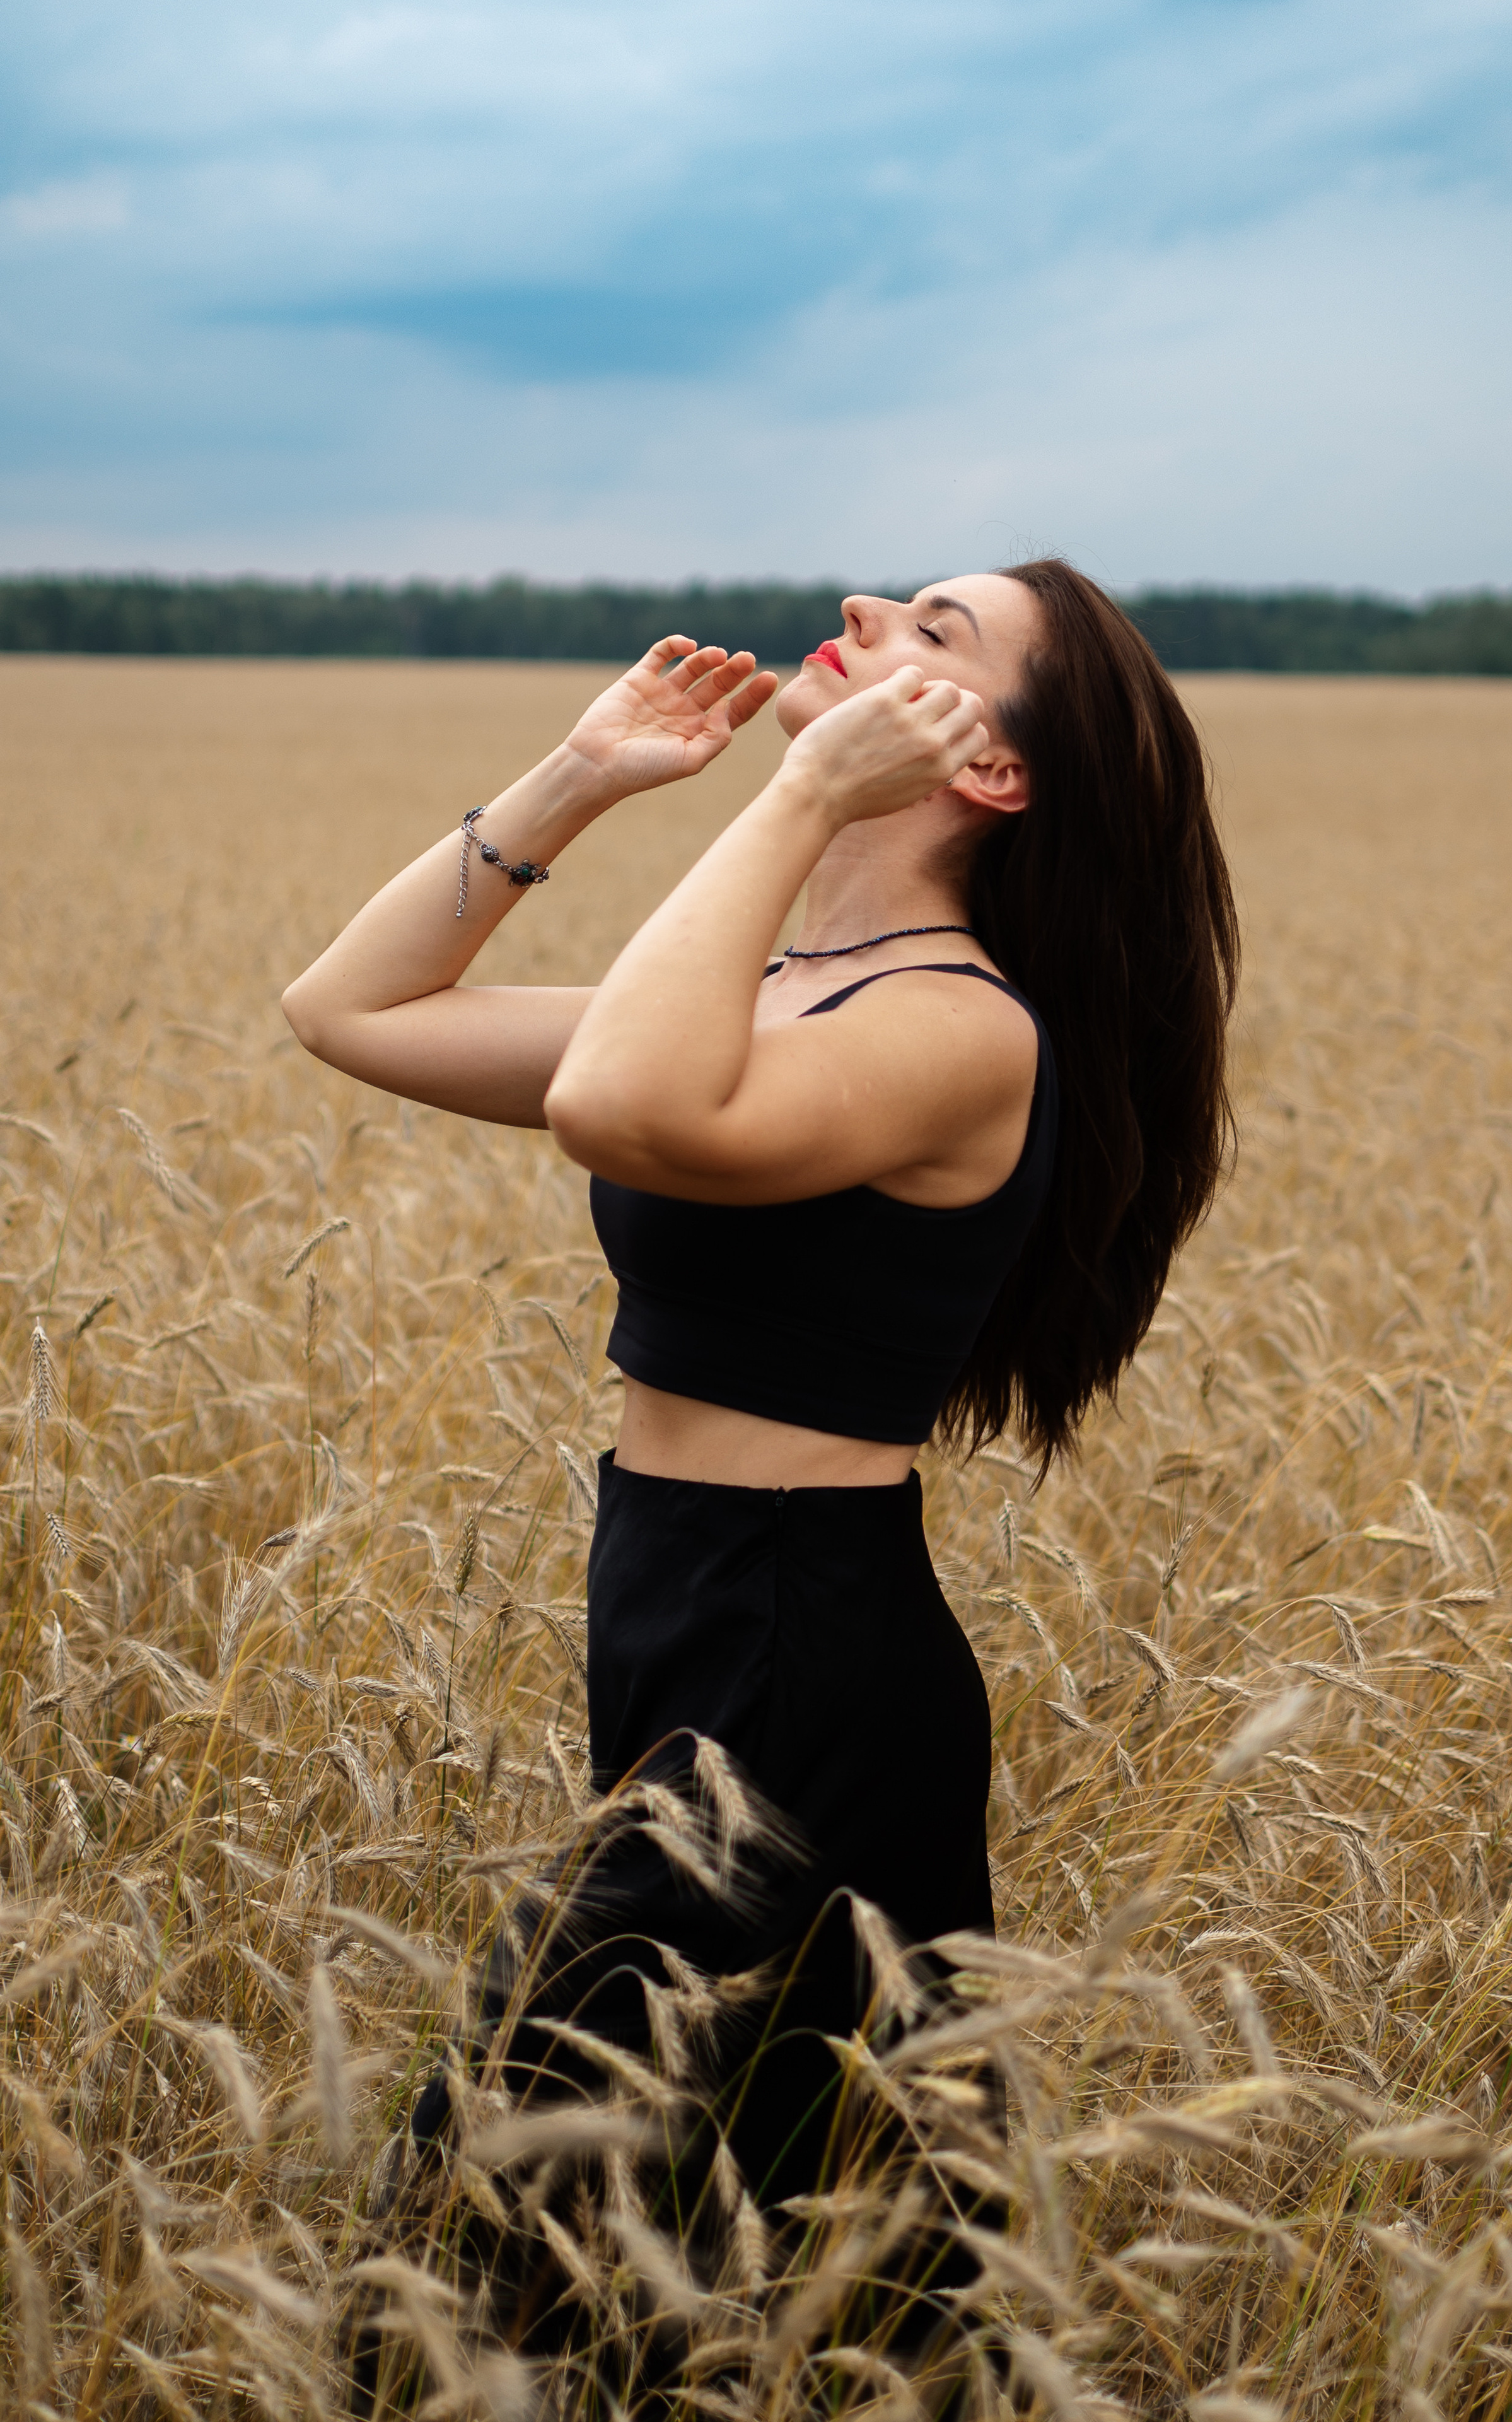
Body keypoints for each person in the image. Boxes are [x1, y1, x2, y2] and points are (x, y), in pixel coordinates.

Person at [282, 558, 1239, 2391]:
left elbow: (623, 1106)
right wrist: (581, 776)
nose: (871, 603)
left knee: (483, 2221)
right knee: (857, 2252)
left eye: (940, 632)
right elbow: (352, 1010)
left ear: (995, 770)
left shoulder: (961, 1029)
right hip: (686, 1611)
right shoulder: (807, 988)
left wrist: (797, 794)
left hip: (797, 1654)